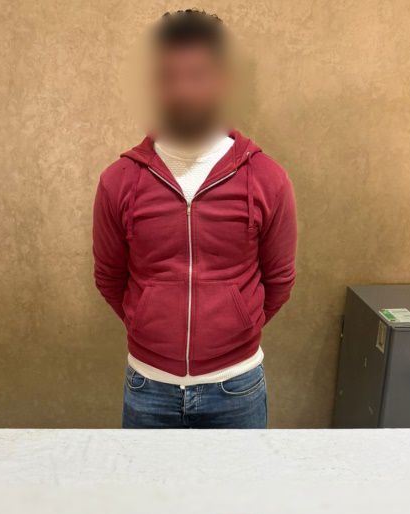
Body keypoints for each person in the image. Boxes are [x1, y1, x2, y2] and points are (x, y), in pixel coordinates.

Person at [93, 9, 297, 429]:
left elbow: (279, 281)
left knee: (237, 480)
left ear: (222, 82)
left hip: (237, 388)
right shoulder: (119, 181)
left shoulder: (267, 178)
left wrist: (238, 327)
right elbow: (110, 277)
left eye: (197, 76)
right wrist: (145, 321)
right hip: (148, 387)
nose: (183, 90)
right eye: (170, 76)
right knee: (146, 479)